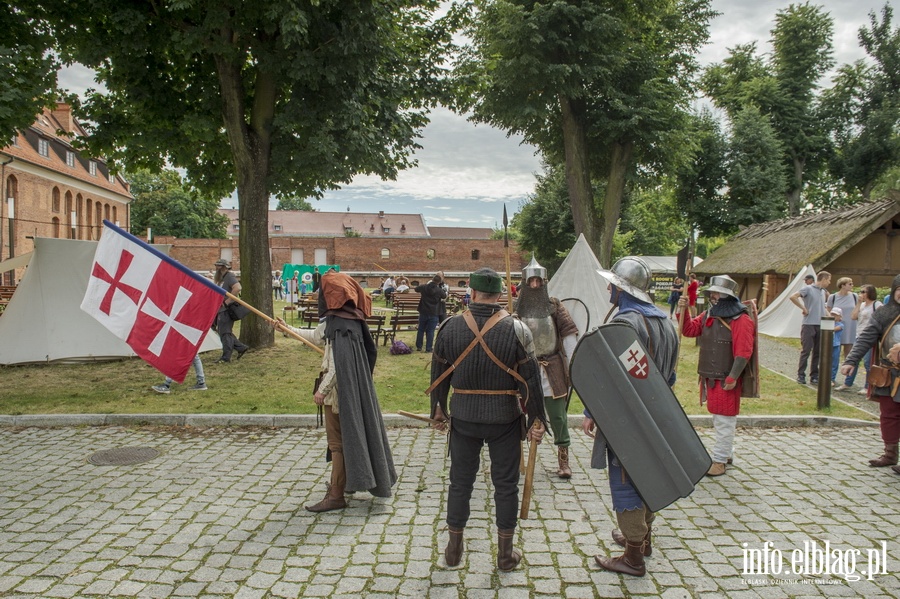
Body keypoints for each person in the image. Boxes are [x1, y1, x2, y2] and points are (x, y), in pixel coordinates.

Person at [429, 267, 545, 572]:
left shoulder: (449, 328)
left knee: (460, 484)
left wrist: (438, 409)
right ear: (500, 294)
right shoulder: (518, 330)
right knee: (505, 486)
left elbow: (439, 374)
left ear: (473, 292)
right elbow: (531, 381)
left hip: (464, 417)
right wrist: (537, 419)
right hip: (504, 419)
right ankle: (505, 556)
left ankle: (454, 551)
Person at [584, 257, 679, 577]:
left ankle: (633, 556)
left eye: (612, 283)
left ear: (622, 289)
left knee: (627, 482)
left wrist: (592, 411)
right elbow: (671, 377)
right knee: (650, 475)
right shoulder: (667, 322)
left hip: (630, 422)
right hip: (662, 416)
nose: (608, 287)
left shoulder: (627, 324)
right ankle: (643, 539)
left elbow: (613, 378)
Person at [276, 271, 397, 511]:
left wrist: (322, 390)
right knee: (344, 440)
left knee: (337, 444)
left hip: (340, 394)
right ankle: (346, 483)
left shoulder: (341, 325)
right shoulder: (347, 319)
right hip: (349, 391)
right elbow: (317, 337)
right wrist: (284, 327)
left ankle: (336, 495)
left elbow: (338, 366)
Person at [677, 275, 756, 477]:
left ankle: (719, 460)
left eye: (716, 293)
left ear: (726, 295)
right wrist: (684, 310)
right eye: (711, 292)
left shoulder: (741, 319)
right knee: (720, 418)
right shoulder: (709, 315)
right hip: (711, 376)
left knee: (724, 420)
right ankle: (726, 454)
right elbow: (689, 330)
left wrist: (732, 377)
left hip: (725, 377)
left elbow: (743, 352)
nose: (712, 295)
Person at [514, 256, 579, 478]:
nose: (534, 285)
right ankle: (517, 460)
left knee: (558, 417)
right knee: (519, 416)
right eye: (530, 281)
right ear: (524, 282)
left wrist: (574, 368)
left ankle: (563, 461)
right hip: (525, 370)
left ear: (544, 282)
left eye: (538, 281)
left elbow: (569, 336)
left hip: (552, 369)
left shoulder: (554, 306)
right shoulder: (517, 309)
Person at [841, 275, 900, 470]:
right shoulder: (884, 314)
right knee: (889, 415)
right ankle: (890, 454)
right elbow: (866, 337)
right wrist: (851, 360)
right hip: (889, 373)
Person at [790, 271, 831, 384]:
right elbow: (793, 297)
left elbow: (822, 307)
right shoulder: (808, 289)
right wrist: (803, 308)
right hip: (809, 324)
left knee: (818, 351)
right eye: (828, 280)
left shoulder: (823, 292)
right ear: (823, 279)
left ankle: (814, 375)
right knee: (806, 350)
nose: (829, 282)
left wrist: (830, 316)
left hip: (820, 324)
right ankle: (801, 374)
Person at [213, 259, 249, 363]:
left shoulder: (229, 276)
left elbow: (237, 288)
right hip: (221, 309)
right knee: (224, 332)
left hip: (227, 309)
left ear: (223, 267)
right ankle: (240, 347)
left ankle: (226, 357)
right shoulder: (222, 278)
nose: (216, 268)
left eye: (218, 266)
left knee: (225, 333)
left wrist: (227, 301)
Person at [848, 284, 881, 394]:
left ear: (870, 293)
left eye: (863, 292)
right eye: (860, 291)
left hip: (870, 337)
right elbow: (853, 317)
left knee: (868, 362)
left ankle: (867, 386)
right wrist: (858, 303)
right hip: (859, 335)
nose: (861, 294)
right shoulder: (861, 305)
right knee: (853, 360)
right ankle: (848, 383)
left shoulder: (876, 305)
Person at [827, 278, 858, 389]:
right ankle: (831, 378)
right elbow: (828, 311)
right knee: (834, 353)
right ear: (843, 285)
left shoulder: (854, 296)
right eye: (850, 284)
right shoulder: (833, 297)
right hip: (837, 327)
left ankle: (848, 380)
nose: (852, 285)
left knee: (849, 353)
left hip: (850, 326)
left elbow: (858, 310)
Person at [414, 274, 447, 352]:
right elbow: (444, 296)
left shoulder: (424, 287)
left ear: (432, 279)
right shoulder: (439, 290)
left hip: (423, 311)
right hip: (434, 312)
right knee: (430, 331)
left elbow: (416, 289)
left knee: (421, 329)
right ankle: (428, 348)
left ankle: (419, 346)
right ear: (439, 282)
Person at [829, 307, 844, 384]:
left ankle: (832, 378)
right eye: (832, 314)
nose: (833, 316)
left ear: (839, 317)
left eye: (835, 315)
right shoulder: (828, 322)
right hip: (828, 345)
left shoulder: (840, 325)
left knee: (834, 362)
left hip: (836, 345)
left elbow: (833, 329)